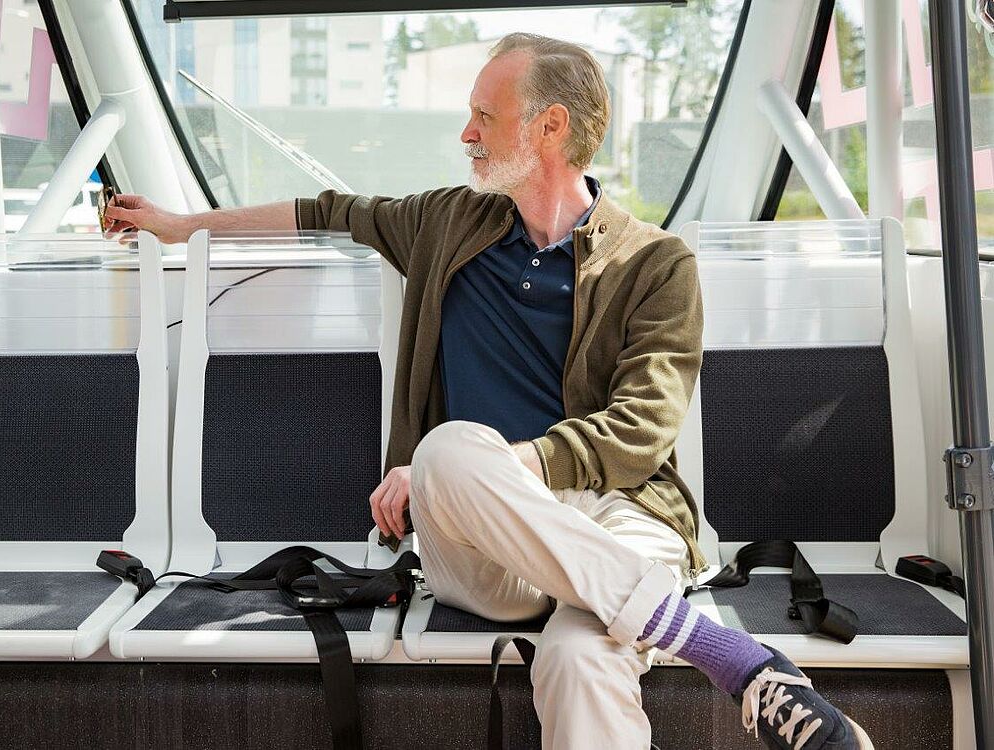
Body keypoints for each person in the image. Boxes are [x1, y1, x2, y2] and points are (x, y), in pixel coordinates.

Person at [104, 32, 873, 750]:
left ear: (550, 129)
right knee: (444, 455)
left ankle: (703, 645)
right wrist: (181, 225)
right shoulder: (447, 223)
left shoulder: (656, 263)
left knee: (580, 660)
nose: (466, 135)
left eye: (483, 116)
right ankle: (730, 658)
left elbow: (642, 430)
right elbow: (326, 212)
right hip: (479, 539)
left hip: (618, 517)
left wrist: (513, 463)